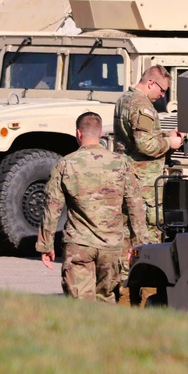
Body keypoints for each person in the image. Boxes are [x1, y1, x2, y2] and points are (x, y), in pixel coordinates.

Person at [37, 111, 149, 302]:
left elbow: (52, 207)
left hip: (79, 245)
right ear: (100, 135)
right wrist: (140, 244)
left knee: (80, 303)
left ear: (78, 134)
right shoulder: (120, 163)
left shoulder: (65, 164)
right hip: (112, 247)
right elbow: (136, 206)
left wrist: (46, 245)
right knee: (106, 300)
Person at [113, 65, 184, 302]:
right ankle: (141, 300)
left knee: (127, 238)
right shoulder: (142, 106)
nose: (163, 96)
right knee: (149, 242)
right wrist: (170, 144)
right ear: (152, 83)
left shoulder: (124, 99)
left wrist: (165, 137)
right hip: (144, 184)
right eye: (163, 90)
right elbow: (145, 146)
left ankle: (123, 292)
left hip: (129, 177)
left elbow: (134, 142)